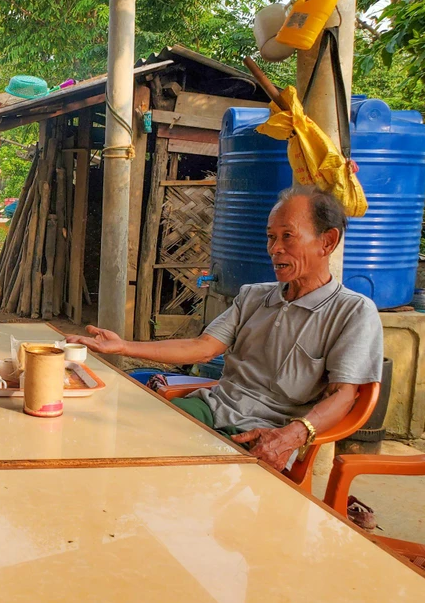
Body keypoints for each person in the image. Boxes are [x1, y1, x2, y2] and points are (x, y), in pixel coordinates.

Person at [68, 185, 384, 471]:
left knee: (174, 474)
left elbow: (345, 396)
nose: (274, 248)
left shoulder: (353, 312)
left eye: (288, 236)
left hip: (263, 431)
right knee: (118, 439)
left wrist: (291, 435)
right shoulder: (253, 296)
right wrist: (123, 346)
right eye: (271, 237)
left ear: (327, 241)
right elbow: (204, 347)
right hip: (212, 408)